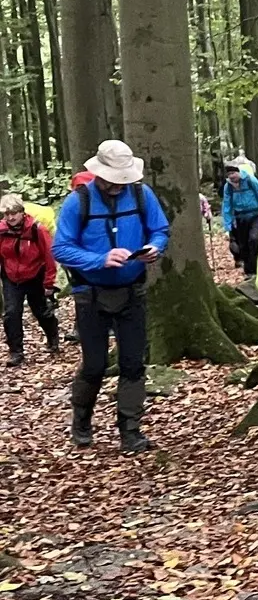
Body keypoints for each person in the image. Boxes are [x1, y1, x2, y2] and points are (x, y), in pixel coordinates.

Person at [52, 140, 171, 454]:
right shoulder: (78, 202)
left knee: (133, 363)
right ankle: (81, 421)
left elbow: (160, 229)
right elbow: (61, 248)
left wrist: (155, 247)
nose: (119, 186)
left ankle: (130, 430)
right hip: (90, 293)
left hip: (132, 290)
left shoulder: (142, 194)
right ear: (99, 174)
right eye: (114, 180)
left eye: (124, 179)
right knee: (94, 364)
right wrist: (99, 259)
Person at [0, 193, 59, 365]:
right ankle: (16, 352)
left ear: (22, 212)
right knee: (11, 313)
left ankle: (52, 336)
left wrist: (49, 283)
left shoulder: (37, 229)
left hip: (35, 275)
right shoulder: (2, 231)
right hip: (11, 277)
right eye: (7, 214)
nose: (11, 217)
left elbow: (49, 257)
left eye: (14, 213)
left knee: (40, 310)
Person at [222, 160, 258, 276]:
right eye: (229, 174)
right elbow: (226, 205)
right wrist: (228, 224)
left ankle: (257, 267)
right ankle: (249, 272)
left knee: (254, 239)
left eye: (233, 173)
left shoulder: (250, 180)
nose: (231, 176)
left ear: (238, 172)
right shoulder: (228, 187)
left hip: (255, 215)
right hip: (240, 217)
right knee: (243, 245)